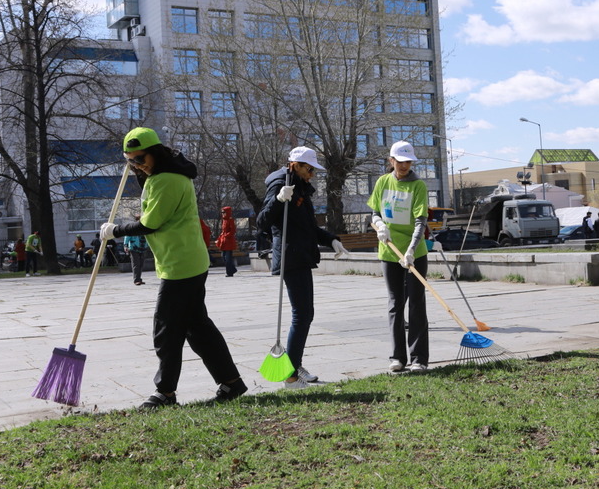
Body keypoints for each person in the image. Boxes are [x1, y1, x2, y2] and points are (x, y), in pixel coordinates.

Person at [100, 127, 247, 408]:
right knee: (198, 329)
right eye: (130, 161)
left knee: (166, 329)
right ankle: (232, 383)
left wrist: (114, 230)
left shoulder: (166, 180)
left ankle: (165, 392)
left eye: (140, 159)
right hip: (183, 260)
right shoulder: (163, 176)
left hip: (182, 265)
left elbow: (149, 224)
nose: (136, 165)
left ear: (155, 153)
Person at [256, 147, 347, 389]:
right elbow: (262, 221)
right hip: (290, 256)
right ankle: (291, 377)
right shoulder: (280, 183)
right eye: (309, 169)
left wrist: (331, 239)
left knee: (306, 314)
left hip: (301, 255)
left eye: (314, 169)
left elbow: (308, 227)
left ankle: (295, 367)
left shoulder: (299, 186)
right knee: (302, 314)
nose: (312, 174)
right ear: (295, 164)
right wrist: (278, 200)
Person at [369, 141, 431, 374]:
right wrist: (378, 224)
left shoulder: (418, 186)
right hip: (389, 251)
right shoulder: (382, 182)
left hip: (414, 253)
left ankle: (419, 358)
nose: (405, 165)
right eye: (400, 161)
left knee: (416, 303)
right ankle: (397, 357)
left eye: (408, 162)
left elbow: (420, 222)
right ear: (391, 161)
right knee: (395, 304)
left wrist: (411, 251)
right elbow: (374, 211)